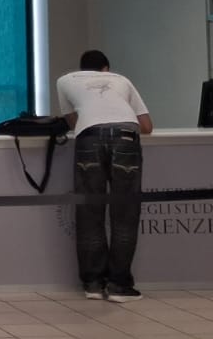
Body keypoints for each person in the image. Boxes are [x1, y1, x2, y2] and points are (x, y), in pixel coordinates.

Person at [56, 50, 152, 302]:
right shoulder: (122, 80)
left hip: (89, 137)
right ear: (106, 68)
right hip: (126, 136)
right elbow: (147, 127)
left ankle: (94, 284)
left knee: (90, 212)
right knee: (124, 215)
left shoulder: (65, 80)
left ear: (81, 67)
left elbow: (73, 120)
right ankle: (120, 285)